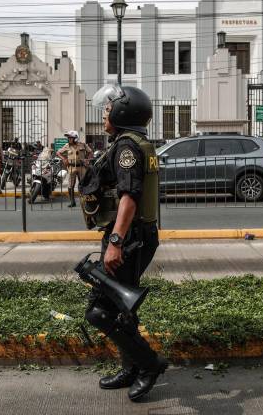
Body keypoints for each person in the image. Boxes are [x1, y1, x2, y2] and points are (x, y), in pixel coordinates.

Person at [79, 84, 167, 402]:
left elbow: (130, 196)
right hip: (136, 236)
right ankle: (132, 367)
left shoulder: (128, 146)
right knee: (119, 307)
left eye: (108, 109)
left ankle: (148, 364)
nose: (104, 113)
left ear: (122, 112)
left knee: (100, 311)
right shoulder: (132, 142)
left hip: (129, 238)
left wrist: (115, 241)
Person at [57, 130, 92, 207]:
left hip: (82, 167)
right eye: (68, 138)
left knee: (84, 184)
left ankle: (85, 201)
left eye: (70, 138)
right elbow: (58, 152)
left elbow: (90, 152)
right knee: (71, 185)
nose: (69, 139)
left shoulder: (83, 145)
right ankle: (72, 202)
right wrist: (64, 159)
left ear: (75, 138)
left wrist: (87, 160)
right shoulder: (67, 146)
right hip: (72, 167)